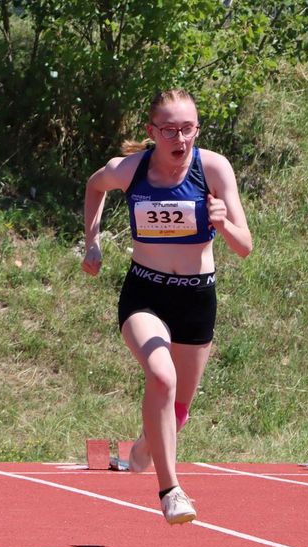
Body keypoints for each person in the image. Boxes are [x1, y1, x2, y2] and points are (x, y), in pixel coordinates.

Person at [81, 89, 253, 524]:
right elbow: (95, 186)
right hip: (145, 292)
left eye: (188, 129)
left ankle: (145, 445)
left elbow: (245, 246)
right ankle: (170, 490)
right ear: (152, 132)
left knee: (179, 411)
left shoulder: (213, 168)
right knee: (161, 376)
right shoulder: (130, 170)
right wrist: (92, 240)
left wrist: (223, 223)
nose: (181, 139)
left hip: (196, 296)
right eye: (170, 130)